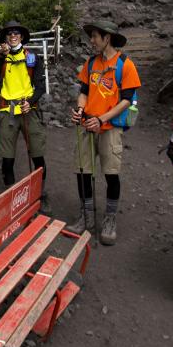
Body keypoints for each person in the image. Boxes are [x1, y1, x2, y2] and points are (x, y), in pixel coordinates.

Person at [69, 21, 141, 245]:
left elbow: (126, 100)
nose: (91, 41)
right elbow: (83, 91)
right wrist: (81, 109)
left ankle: (109, 219)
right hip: (87, 124)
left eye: (95, 36)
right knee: (83, 171)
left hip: (109, 127)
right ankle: (87, 215)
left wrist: (101, 119)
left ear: (107, 38)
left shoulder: (125, 64)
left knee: (111, 173)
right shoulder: (90, 63)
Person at [0, 20, 48, 208]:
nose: (13, 36)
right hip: (7, 110)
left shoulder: (33, 58)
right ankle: (10, 196)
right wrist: (0, 58)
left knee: (37, 154)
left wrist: (30, 102)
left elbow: (40, 86)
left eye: (16, 33)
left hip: (29, 109)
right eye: (9, 33)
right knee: (7, 157)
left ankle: (40, 194)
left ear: (21, 37)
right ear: (5, 38)